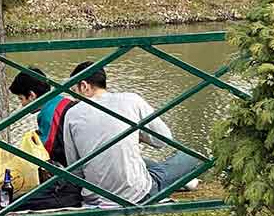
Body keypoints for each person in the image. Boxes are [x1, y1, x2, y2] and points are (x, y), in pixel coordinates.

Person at [63, 62, 200, 207]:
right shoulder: (131, 100)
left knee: (134, 159)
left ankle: (184, 181)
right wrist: (138, 134)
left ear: (84, 86)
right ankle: (185, 179)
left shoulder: (71, 114)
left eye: (73, 91)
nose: (74, 99)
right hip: (138, 194)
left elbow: (75, 168)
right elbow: (163, 140)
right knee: (191, 156)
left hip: (94, 196)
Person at [9, 67, 76, 166]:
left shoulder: (47, 114)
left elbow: (47, 150)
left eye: (21, 99)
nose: (22, 104)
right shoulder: (62, 100)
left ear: (32, 95)